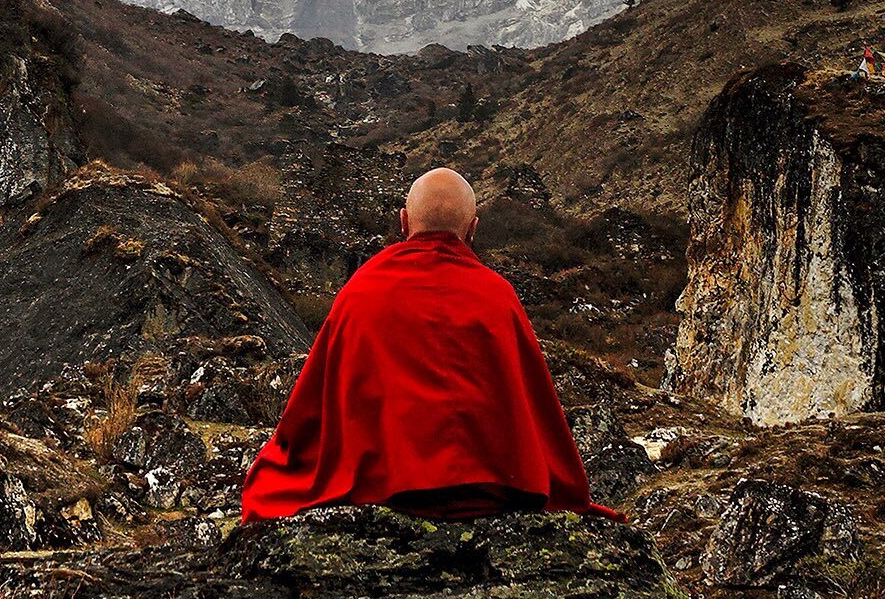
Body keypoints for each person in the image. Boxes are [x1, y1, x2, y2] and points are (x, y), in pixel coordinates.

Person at [238, 167, 614, 523]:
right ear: (473, 229)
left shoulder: (362, 290)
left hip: (383, 487)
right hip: (491, 491)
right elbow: (538, 413)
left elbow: (309, 412)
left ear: (403, 221)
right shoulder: (498, 297)